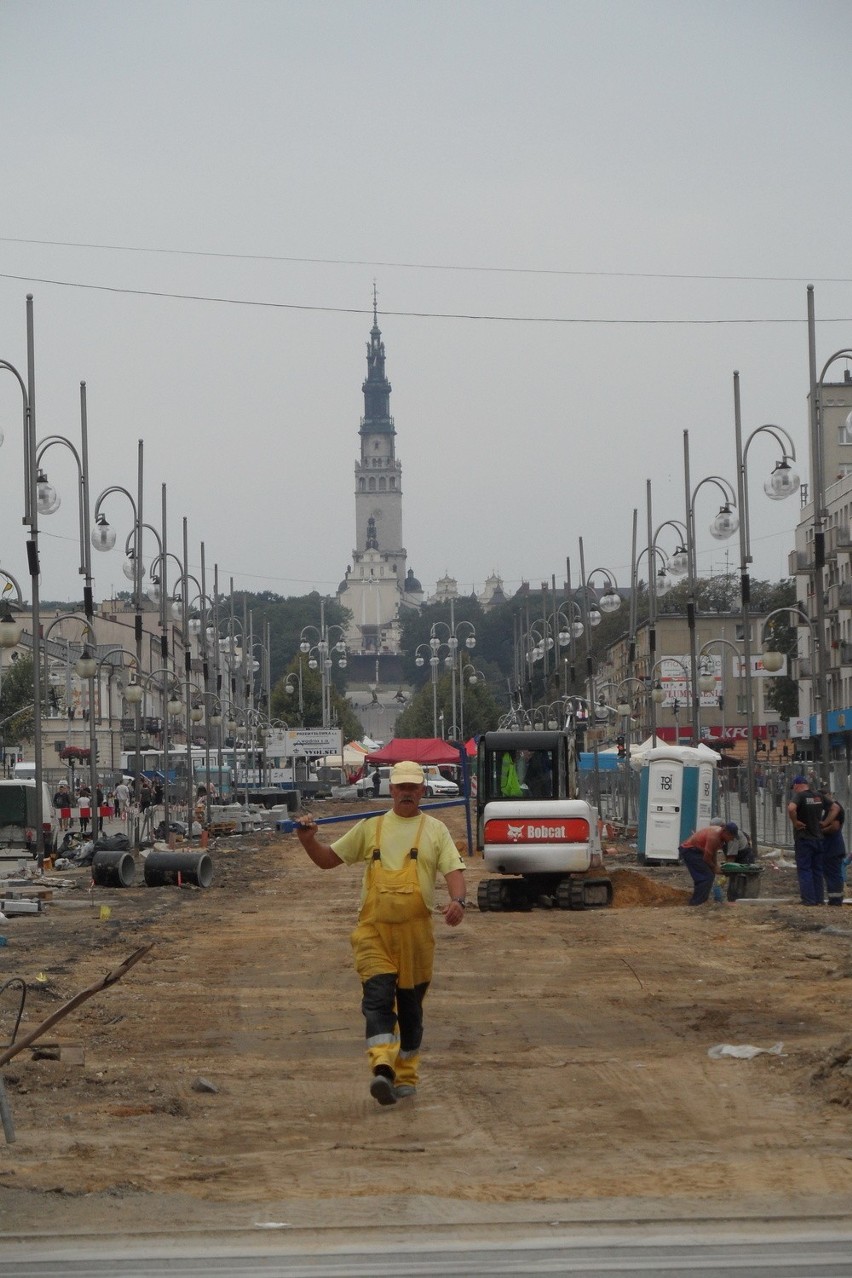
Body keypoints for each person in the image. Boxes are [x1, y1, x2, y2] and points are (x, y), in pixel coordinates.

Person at [294, 759, 467, 1106]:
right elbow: (328, 859)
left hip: (417, 939)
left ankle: (405, 1075)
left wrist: (458, 901)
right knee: (377, 998)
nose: (406, 793)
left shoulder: (435, 830)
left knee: (411, 1010)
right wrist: (308, 841)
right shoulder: (370, 828)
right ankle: (383, 1069)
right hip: (374, 933)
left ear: (422, 790)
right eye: (400, 787)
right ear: (391, 790)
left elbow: (453, 871)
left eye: (412, 788)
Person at [678, 822, 739, 906]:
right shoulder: (714, 837)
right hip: (690, 851)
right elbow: (706, 858)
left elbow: (713, 853)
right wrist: (715, 868)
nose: (732, 839)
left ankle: (700, 900)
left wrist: (716, 866)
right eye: (731, 836)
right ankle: (697, 903)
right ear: (726, 832)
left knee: (707, 875)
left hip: (697, 851)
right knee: (706, 876)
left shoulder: (720, 836)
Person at [788, 776, 825, 905]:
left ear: (797, 785)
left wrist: (795, 822)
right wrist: (826, 823)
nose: (793, 790)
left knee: (805, 869)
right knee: (817, 870)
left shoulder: (799, 796)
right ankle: (819, 899)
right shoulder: (818, 796)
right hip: (818, 838)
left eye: (793, 788)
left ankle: (809, 900)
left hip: (804, 839)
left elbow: (791, 808)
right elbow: (834, 807)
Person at [820, 787, 846, 907]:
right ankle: (835, 898)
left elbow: (834, 827)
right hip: (832, 846)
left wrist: (820, 830)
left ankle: (835, 900)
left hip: (833, 847)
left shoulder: (835, 809)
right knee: (831, 873)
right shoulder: (829, 809)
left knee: (833, 874)